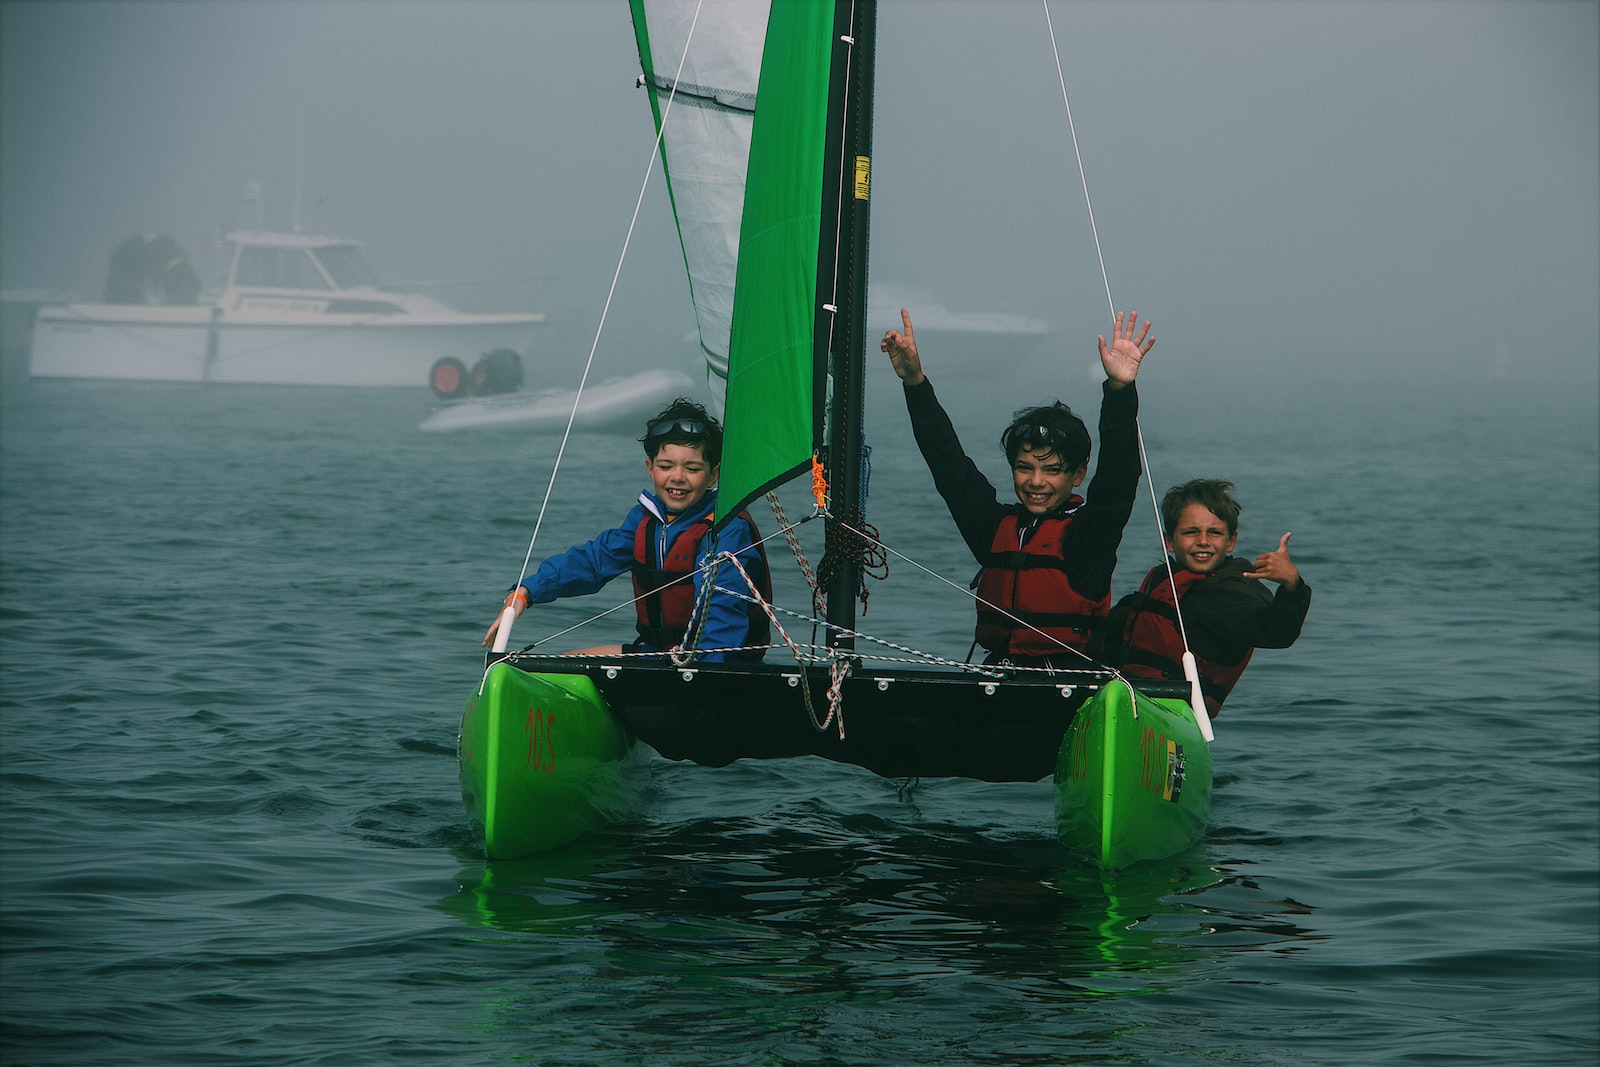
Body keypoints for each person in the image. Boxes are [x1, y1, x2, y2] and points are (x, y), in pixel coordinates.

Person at [880, 307, 1154, 667]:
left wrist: (1120, 390)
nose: (1036, 482)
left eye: (1052, 470)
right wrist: (915, 383)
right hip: (997, 680)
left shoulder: (1090, 536)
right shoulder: (994, 528)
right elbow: (948, 464)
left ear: (1078, 475)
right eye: (1024, 468)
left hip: (1069, 687)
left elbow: (1119, 476)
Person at [481, 398, 771, 662]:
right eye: (666, 465)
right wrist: (527, 592)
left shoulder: (727, 528)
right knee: (555, 668)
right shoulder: (645, 520)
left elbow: (724, 610)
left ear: (713, 475)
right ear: (650, 467)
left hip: (714, 667)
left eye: (692, 468)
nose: (678, 477)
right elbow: (593, 561)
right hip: (657, 655)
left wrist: (703, 675)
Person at [1089, 478, 1311, 716]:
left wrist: (1292, 586)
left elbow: (1277, 633)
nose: (1203, 541)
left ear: (1231, 542)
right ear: (1170, 542)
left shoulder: (1235, 591)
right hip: (1126, 699)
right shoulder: (1163, 580)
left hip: (1177, 714)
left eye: (1214, 533)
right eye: (1191, 532)